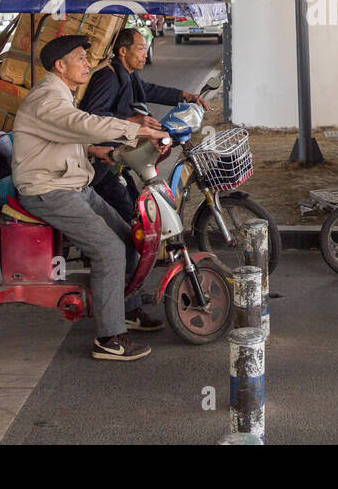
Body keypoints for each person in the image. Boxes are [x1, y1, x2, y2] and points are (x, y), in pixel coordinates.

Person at [12, 35, 168, 361]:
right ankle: (109, 339)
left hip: (72, 185)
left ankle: (125, 309)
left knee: (128, 238)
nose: (87, 64)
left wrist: (93, 149)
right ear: (60, 65)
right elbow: (83, 122)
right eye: (81, 58)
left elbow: (67, 135)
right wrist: (142, 130)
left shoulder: (61, 95)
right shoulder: (47, 99)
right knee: (108, 249)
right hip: (49, 191)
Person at [79, 26, 211, 225]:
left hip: (119, 153)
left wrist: (185, 96)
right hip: (101, 161)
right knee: (129, 215)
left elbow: (148, 90)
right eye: (140, 48)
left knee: (134, 202)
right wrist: (133, 121)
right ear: (123, 51)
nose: (145, 53)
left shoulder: (127, 73)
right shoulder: (108, 77)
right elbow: (93, 116)